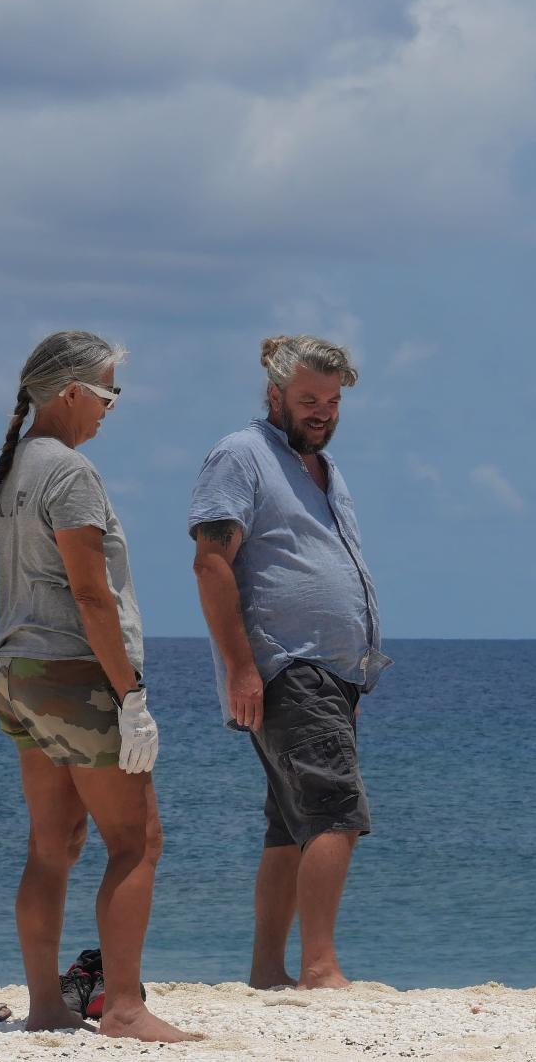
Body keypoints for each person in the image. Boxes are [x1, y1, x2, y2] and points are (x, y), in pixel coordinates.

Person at [0, 331, 197, 1043]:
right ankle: (125, 1009)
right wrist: (131, 697)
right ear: (69, 393)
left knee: (52, 843)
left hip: (17, 675)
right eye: (106, 392)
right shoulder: (70, 474)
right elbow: (91, 596)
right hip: (73, 676)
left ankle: (46, 1006)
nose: (111, 408)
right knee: (136, 842)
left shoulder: (17, 470)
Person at [188, 335, 390, 990]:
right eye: (308, 400)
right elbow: (212, 561)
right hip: (288, 665)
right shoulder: (242, 455)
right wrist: (242, 668)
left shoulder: (324, 469)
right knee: (335, 813)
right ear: (273, 394)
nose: (322, 412)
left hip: (329, 673)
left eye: (331, 401)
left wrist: (352, 672)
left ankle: (268, 971)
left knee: (289, 826)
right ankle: (321, 968)